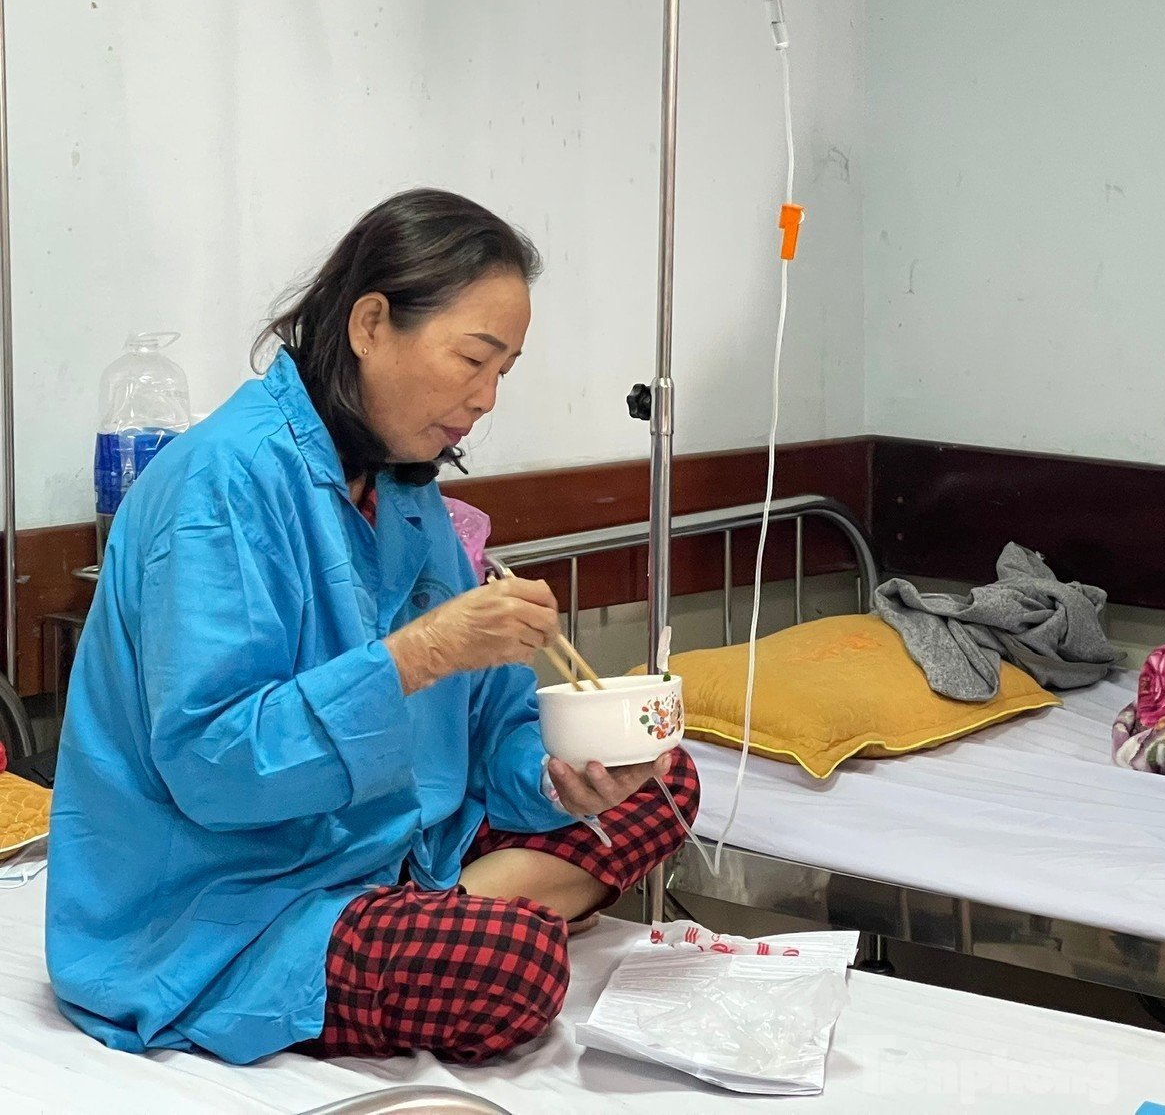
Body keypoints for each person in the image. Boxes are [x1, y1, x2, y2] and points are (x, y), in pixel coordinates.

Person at [47, 189, 699, 1063]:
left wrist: (557, 776)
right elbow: (217, 767)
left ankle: (459, 897)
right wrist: (419, 654)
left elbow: (489, 729)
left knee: (663, 778)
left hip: (397, 846)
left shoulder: (408, 491)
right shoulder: (219, 487)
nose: (487, 397)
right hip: (228, 904)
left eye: (505, 369)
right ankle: (472, 912)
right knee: (512, 972)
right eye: (473, 359)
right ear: (369, 323)